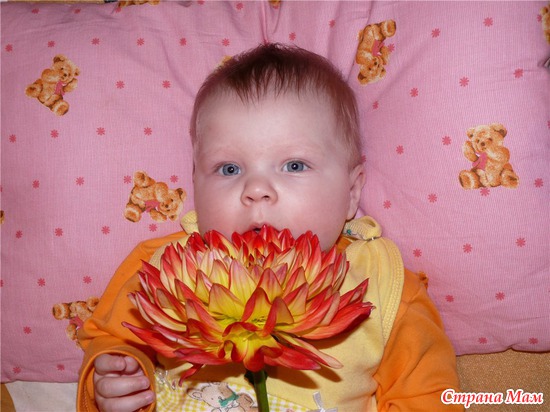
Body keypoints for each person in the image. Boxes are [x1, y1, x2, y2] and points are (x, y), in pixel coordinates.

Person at [77, 43, 461, 412]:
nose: (256, 189)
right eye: (229, 168)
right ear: (195, 184)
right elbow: (111, 339)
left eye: (294, 165)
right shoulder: (162, 268)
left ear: (351, 192)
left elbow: (427, 396)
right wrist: (117, 379)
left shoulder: (385, 286)